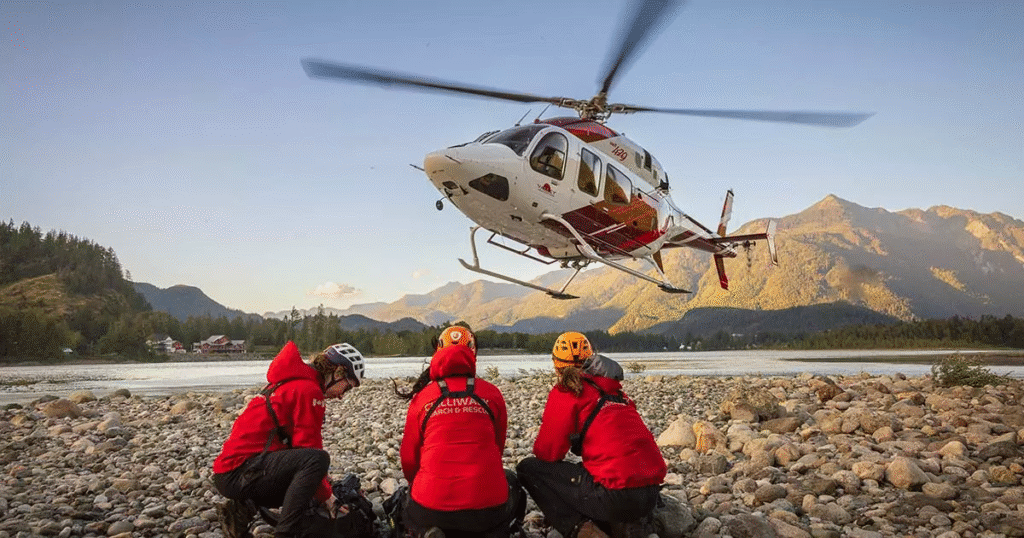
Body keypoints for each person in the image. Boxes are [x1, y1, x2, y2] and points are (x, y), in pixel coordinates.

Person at [516, 332, 666, 538]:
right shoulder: (617, 393)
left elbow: (549, 453)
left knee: (529, 468)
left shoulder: (567, 391)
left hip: (615, 497)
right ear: (591, 359)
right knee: (595, 471)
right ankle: (629, 525)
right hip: (650, 495)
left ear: (556, 364)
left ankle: (581, 529)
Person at [213, 341, 366, 538]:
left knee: (308, 479)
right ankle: (285, 534)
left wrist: (323, 486)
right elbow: (309, 450)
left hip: (234, 472)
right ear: (338, 373)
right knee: (318, 460)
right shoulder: (309, 390)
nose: (341, 397)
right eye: (347, 388)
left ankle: (240, 510)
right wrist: (328, 498)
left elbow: (296, 452)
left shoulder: (294, 381)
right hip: (239, 473)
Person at [393, 326, 526, 538]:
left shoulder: (423, 397)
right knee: (512, 482)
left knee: (404, 503)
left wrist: (419, 483)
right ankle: (494, 530)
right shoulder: (491, 393)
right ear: (473, 353)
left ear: (438, 351)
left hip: (431, 506)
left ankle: (428, 529)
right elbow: (497, 449)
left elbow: (409, 458)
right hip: (487, 508)